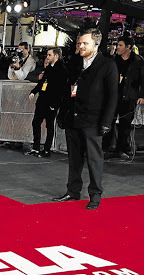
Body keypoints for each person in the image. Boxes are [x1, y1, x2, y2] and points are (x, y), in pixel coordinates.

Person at [53, 28, 118, 210]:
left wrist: (107, 122)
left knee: (94, 159)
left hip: (93, 121)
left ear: (96, 44)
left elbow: (113, 96)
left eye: (85, 43)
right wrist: (62, 114)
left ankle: (95, 194)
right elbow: (67, 91)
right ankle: (72, 191)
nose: (80, 46)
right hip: (73, 119)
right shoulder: (75, 63)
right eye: (79, 43)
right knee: (74, 159)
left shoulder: (107, 65)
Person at [102, 36, 144, 159]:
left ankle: (122, 149)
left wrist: (141, 96)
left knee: (125, 125)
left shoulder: (138, 61)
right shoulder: (114, 60)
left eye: (120, 45)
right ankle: (107, 148)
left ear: (128, 47)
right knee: (109, 121)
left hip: (129, 97)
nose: (117, 48)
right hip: (114, 96)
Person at [26, 48, 69, 157]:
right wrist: (33, 92)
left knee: (49, 126)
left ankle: (46, 149)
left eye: (49, 55)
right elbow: (42, 83)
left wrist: (55, 104)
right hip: (42, 101)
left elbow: (62, 89)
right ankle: (35, 148)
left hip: (51, 103)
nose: (47, 57)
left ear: (56, 56)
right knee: (36, 123)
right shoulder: (49, 68)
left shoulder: (62, 70)